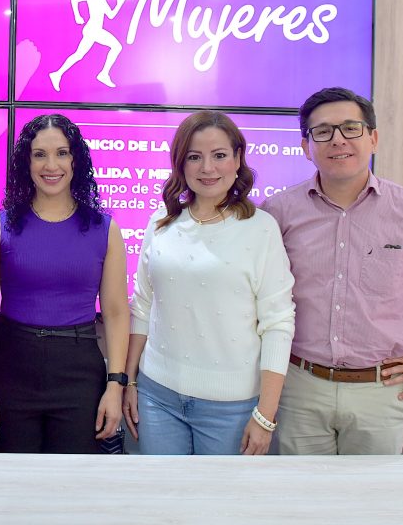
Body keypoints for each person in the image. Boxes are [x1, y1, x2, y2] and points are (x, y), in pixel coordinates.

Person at [261, 87, 403, 455]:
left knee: (373, 493)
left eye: (351, 128)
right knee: (300, 492)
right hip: (299, 388)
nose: (338, 140)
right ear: (306, 147)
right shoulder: (278, 211)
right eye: (323, 132)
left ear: (373, 139)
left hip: (380, 392)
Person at [122, 111, 295, 455]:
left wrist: (265, 415)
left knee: (222, 493)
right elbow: (142, 305)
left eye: (219, 155)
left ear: (237, 159)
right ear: (180, 163)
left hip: (232, 408)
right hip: (157, 397)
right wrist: (129, 382)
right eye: (194, 157)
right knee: (159, 490)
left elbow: (278, 323)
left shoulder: (260, 228)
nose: (207, 168)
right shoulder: (161, 222)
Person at [0, 113, 128, 454]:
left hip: (79, 372)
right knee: (11, 477)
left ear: (76, 160)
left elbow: (117, 313)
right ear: (26, 163)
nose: (51, 165)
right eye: (39, 154)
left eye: (61, 153)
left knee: (73, 480)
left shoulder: (105, 230)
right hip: (10, 368)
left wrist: (115, 386)